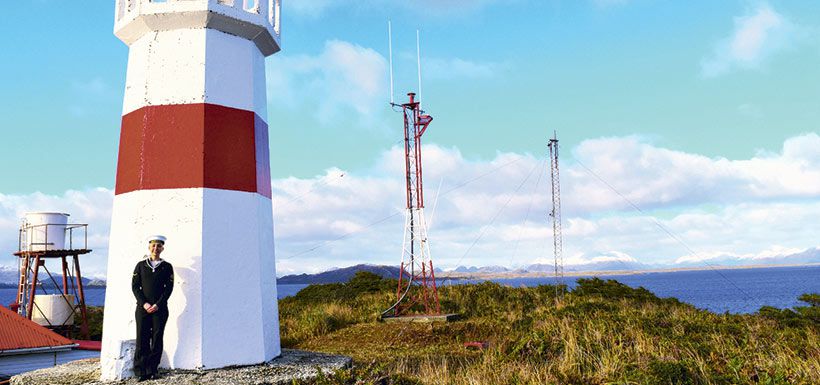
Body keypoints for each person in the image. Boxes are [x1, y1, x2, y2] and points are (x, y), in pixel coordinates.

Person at [131, 235, 174, 381]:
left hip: (160, 309)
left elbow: (168, 289)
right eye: (153, 245)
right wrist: (145, 303)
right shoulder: (141, 265)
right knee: (142, 339)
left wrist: (157, 304)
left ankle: (153, 369)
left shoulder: (167, 267)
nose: (156, 248)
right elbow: (135, 287)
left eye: (159, 246)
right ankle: (141, 371)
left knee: (157, 338)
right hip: (142, 308)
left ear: (163, 248)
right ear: (149, 247)